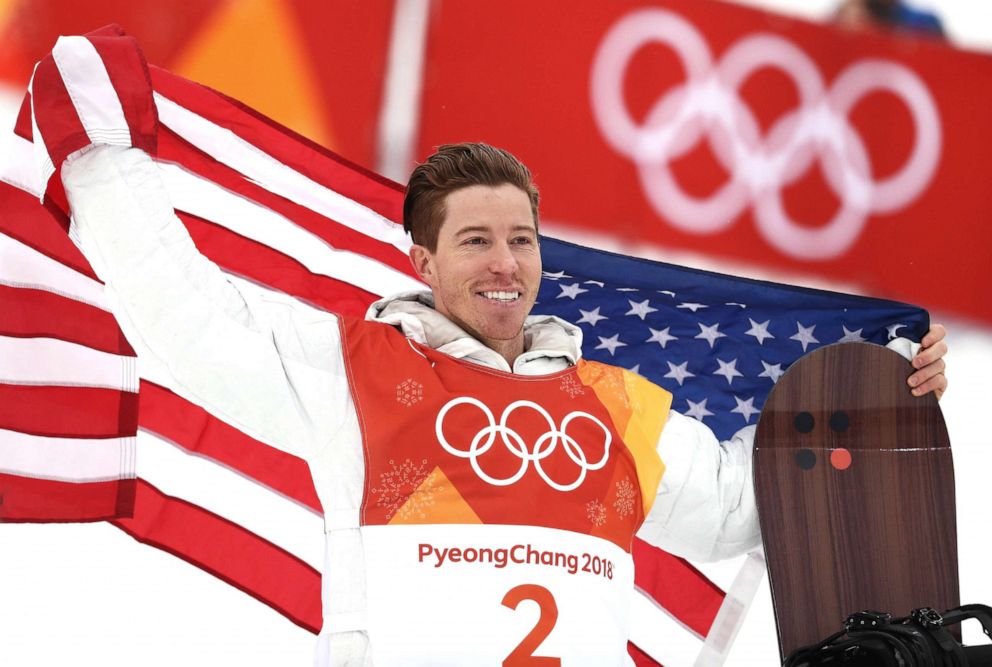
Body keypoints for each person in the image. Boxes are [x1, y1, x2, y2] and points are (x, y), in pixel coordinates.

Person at [61, 141, 947, 666]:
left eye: (520, 240)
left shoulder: (612, 404)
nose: (503, 263)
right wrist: (100, 166)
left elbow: (746, 508)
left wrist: (878, 388)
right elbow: (194, 326)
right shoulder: (357, 369)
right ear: (422, 261)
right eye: (475, 240)